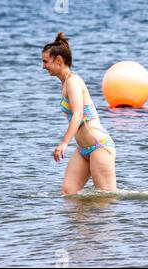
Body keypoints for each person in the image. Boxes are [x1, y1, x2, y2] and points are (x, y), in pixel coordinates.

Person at [42, 32, 116, 195]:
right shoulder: (65, 83)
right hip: (83, 149)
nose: (43, 66)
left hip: (99, 146)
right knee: (68, 193)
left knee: (106, 198)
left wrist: (64, 143)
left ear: (59, 60)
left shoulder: (73, 81)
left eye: (45, 62)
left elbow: (77, 114)